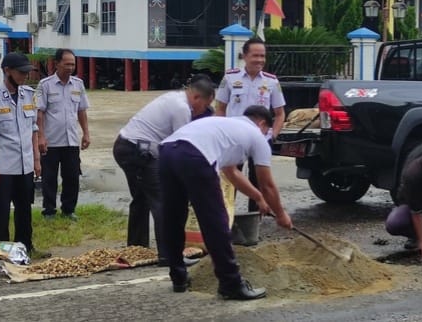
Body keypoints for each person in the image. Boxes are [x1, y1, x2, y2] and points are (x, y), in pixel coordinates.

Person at [159, 105, 292, 300]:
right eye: (267, 131)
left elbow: (232, 173)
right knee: (216, 222)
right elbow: (268, 184)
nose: (266, 135)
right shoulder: (256, 136)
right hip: (196, 156)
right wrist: (281, 214)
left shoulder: (227, 127)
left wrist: (258, 198)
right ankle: (231, 284)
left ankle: (178, 278)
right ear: (262, 123)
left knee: (173, 218)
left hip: (167, 151)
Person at [113, 74, 216, 266]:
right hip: (137, 152)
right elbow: (182, 147)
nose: (201, 111)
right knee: (164, 201)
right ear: (197, 97)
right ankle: (169, 255)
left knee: (142, 199)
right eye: (204, 105)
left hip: (125, 146)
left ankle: (137, 249)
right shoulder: (182, 109)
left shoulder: (174, 97)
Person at [0, 52, 41, 254]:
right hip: (3, 167)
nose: (25, 76)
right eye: (21, 72)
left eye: (27, 72)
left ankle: (25, 248)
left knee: (24, 212)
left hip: (25, 165)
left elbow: (33, 129)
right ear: (7, 71)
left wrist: (37, 160)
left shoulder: (29, 94)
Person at [216, 37, 286, 212]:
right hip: (234, 140)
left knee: (259, 182)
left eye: (263, 56)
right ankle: (226, 220)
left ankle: (253, 222)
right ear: (245, 56)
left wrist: (272, 136)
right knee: (230, 181)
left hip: (259, 139)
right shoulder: (230, 77)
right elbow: (220, 108)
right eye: (255, 55)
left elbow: (279, 113)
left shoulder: (271, 81)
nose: (260, 60)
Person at [36, 48, 90, 221]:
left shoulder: (78, 84)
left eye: (72, 64)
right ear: (57, 63)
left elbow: (81, 111)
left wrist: (86, 134)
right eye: (66, 64)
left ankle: (68, 210)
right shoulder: (45, 85)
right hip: (51, 141)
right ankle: (49, 211)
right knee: (49, 178)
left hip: (71, 140)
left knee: (72, 177)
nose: (70, 67)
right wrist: (41, 137)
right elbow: (40, 113)